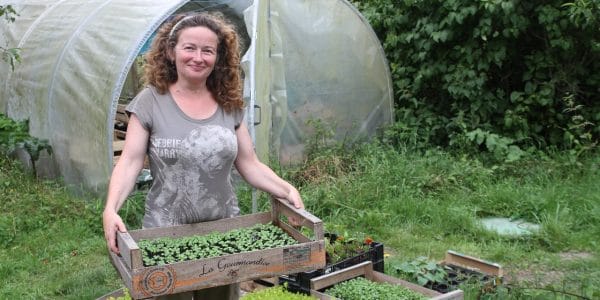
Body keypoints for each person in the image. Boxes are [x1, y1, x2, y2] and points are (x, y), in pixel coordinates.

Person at [102, 11, 304, 300]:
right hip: (165, 236)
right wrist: (111, 209)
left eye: (207, 50)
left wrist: (286, 189)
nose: (198, 57)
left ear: (217, 57)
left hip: (223, 235)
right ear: (171, 52)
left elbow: (249, 163)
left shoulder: (229, 103)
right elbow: (130, 161)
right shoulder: (150, 102)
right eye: (189, 48)